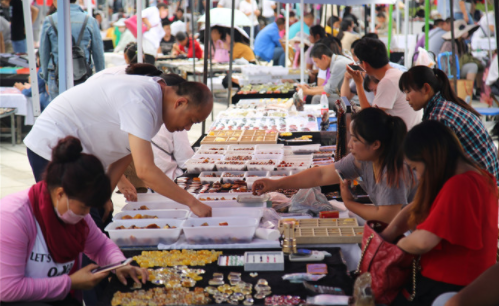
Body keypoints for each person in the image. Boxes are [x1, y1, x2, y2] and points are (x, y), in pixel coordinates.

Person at [23, 64, 214, 220]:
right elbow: (145, 171)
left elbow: (125, 150)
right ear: (180, 103)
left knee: (97, 217)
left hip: (84, 159)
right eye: (192, 120)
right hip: (51, 147)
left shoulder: (156, 98)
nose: (188, 128)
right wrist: (192, 202)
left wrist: (104, 195)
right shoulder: (142, 100)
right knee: (73, 222)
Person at [0, 136, 148, 305]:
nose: (86, 214)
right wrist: (70, 282)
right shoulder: (13, 217)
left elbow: (100, 246)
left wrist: (119, 264)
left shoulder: (76, 214)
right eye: (84, 207)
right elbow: (8, 288)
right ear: (60, 194)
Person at [381, 120, 498, 305]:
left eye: (415, 169)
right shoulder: (482, 178)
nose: (418, 177)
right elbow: (417, 205)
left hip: (451, 286)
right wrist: (387, 234)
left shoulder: (459, 185)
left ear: (430, 158)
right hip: (471, 285)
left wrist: (398, 245)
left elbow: (423, 242)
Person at [253, 108, 417, 223]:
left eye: (355, 139)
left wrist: (349, 203)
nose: (350, 145)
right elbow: (321, 175)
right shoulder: (362, 159)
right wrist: (275, 183)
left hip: (414, 232)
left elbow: (385, 217)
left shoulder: (394, 171)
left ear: (375, 144)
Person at [399, 66, 499, 183]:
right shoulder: (443, 106)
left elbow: (439, 168)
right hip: (487, 180)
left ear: (426, 88)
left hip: (480, 185)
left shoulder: (438, 117)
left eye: (408, 91)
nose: (406, 98)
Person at [347, 37, 422, 130]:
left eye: (359, 62)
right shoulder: (396, 74)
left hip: (401, 140)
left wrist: (358, 84)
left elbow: (369, 119)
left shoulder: (388, 81)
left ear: (365, 64)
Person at [39, 0, 105, 101]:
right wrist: (101, 79)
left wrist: (46, 79)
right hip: (84, 75)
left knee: (59, 114)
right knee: (81, 113)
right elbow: (98, 54)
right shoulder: (89, 20)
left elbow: (44, 54)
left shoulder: (50, 20)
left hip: (56, 76)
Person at [298, 43, 350, 109]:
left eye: (316, 62)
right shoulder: (335, 61)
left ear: (324, 57)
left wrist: (307, 91)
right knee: (317, 97)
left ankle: (314, 118)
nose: (316, 65)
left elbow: (327, 92)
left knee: (317, 98)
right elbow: (327, 87)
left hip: (352, 99)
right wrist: (310, 88)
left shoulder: (338, 64)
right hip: (345, 96)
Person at [440, 20, 482, 96]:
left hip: (456, 67)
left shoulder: (461, 43)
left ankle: (478, 89)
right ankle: (469, 92)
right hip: (449, 70)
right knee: (473, 66)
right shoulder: (450, 44)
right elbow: (451, 62)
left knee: (479, 64)